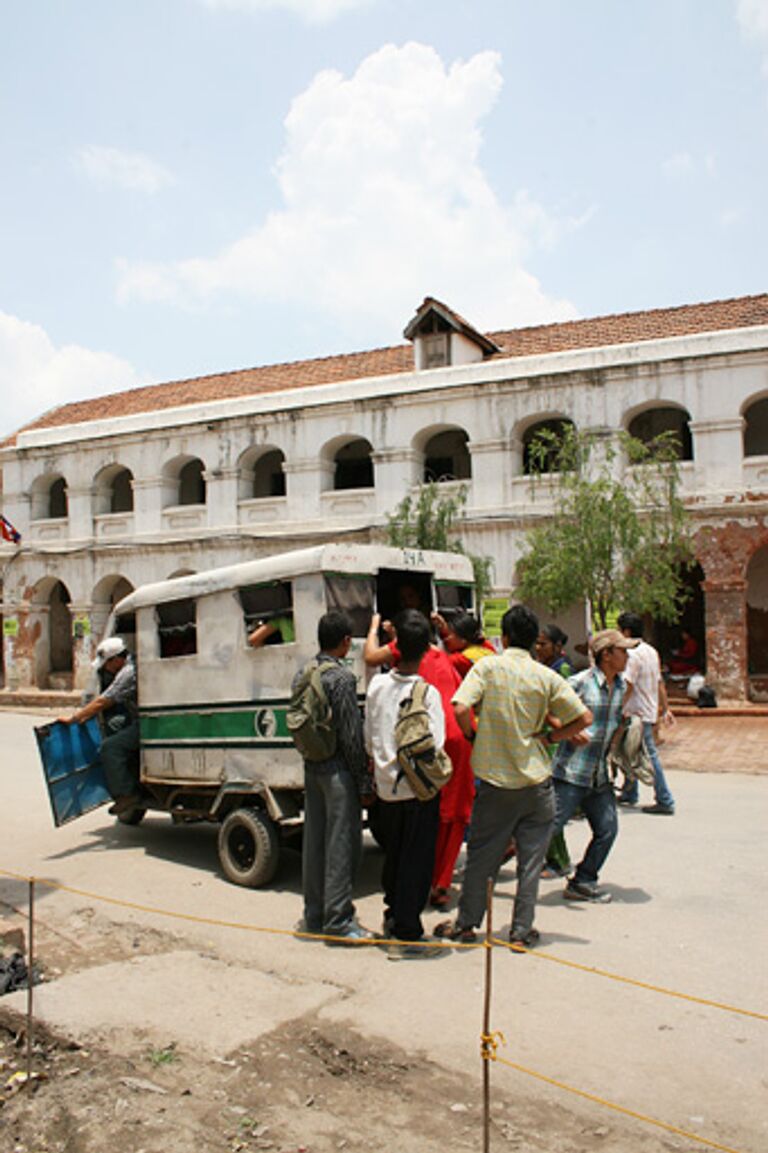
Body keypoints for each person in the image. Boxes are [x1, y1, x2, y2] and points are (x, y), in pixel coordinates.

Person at [439, 605, 591, 950]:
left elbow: (461, 707)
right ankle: (521, 931)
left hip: (495, 784)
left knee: (481, 858)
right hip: (537, 785)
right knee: (531, 861)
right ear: (534, 642)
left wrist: (473, 736)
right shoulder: (546, 676)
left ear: (504, 637)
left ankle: (467, 924)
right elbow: (584, 718)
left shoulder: (488, 668)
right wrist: (552, 738)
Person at [365, 611, 475, 911]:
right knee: (454, 814)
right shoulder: (441, 656)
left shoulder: (390, 679)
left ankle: (419, 886)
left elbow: (370, 656)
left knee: (425, 822)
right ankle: (441, 882)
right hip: (461, 736)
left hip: (428, 744)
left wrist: (375, 627)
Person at [364, 610, 448, 960]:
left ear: (396, 647)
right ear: (426, 651)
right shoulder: (425, 693)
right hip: (417, 790)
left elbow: (368, 736)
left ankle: (391, 914)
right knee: (417, 861)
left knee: (394, 856)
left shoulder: (377, 685)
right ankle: (408, 934)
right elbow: (437, 744)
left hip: (386, 788)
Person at [295, 610, 372, 943]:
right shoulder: (341, 678)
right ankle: (338, 921)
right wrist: (364, 782)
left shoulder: (305, 671)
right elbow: (352, 736)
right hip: (338, 771)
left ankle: (314, 915)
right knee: (341, 846)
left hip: (312, 766)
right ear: (345, 642)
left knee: (314, 844)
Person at [550, 629, 639, 903]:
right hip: (570, 772)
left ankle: (584, 880)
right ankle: (509, 871)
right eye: (622, 651)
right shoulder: (579, 682)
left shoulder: (622, 686)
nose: (627, 656)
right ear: (606, 655)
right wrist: (566, 730)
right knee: (547, 828)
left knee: (607, 829)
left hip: (598, 775)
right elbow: (549, 709)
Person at [57, 637, 141, 817]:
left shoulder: (128, 672)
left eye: (107, 663)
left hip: (144, 723)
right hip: (136, 717)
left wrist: (76, 718)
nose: (105, 668)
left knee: (110, 748)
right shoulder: (133, 664)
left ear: (117, 659)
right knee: (113, 724)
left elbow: (105, 700)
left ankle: (126, 794)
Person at [616, 612, 676, 815]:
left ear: (626, 631)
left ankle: (665, 799)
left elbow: (628, 685)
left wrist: (618, 707)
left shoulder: (631, 654)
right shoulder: (651, 651)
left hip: (635, 711)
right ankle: (629, 791)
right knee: (629, 751)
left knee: (647, 754)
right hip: (648, 710)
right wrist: (665, 708)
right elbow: (660, 682)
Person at [534, 623, 575, 878]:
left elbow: (563, 708)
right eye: (537, 643)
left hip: (556, 742)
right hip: (545, 740)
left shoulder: (563, 670)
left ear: (558, 647)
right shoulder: (546, 668)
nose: (538, 648)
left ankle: (559, 860)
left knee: (550, 806)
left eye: (543, 644)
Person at [433, 610, 496, 678]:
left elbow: (437, 662)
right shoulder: (486, 646)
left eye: (449, 635)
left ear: (463, 640)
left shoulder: (462, 659)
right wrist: (443, 626)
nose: (445, 639)